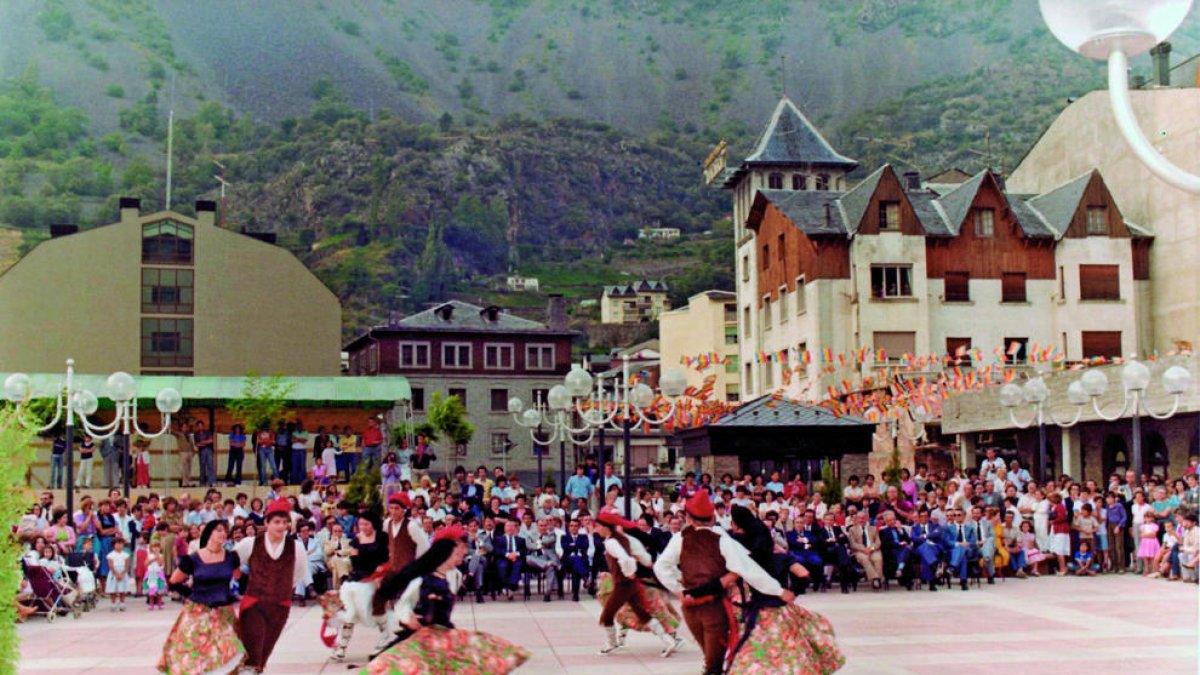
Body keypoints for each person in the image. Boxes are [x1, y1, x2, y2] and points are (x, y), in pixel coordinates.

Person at [654, 490, 794, 675]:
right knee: (714, 664)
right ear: (712, 518)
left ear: (688, 517)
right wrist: (778, 590)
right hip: (714, 607)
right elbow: (747, 567)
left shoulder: (680, 539)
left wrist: (679, 590)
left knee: (710, 660)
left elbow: (661, 567)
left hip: (690, 607)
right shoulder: (721, 540)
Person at [363, 527, 530, 674]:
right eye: (461, 548)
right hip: (423, 639)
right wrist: (407, 618)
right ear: (447, 550)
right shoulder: (422, 579)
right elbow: (404, 603)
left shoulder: (454, 576)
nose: (464, 552)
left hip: (444, 638)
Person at [159, 520, 246, 673]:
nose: (223, 533)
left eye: (225, 530)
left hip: (223, 611)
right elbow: (173, 581)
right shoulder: (192, 559)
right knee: (195, 655)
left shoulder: (232, 557)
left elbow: (240, 579)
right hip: (197, 611)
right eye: (218, 530)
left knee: (228, 653)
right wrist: (191, 596)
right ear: (209, 534)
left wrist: (235, 596)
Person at [593, 510, 682, 657]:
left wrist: (629, 572)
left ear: (605, 527)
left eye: (598, 526)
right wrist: (644, 564)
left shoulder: (611, 542)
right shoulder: (626, 539)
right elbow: (643, 556)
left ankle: (612, 643)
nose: (597, 529)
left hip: (623, 584)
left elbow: (625, 559)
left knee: (607, 616)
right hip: (630, 584)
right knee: (642, 613)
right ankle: (669, 642)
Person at [233, 498, 308, 673]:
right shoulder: (251, 543)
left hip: (279, 607)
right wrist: (236, 577)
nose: (280, 526)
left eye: (284, 522)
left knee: (264, 654)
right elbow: (231, 561)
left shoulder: (296, 547)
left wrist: (282, 588)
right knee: (253, 654)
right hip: (253, 605)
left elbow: (299, 574)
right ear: (266, 522)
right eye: (276, 522)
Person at [941, 509, 978, 590]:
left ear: (964, 516)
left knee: (963, 550)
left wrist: (967, 544)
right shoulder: (949, 528)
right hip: (953, 551)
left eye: (959, 515)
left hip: (968, 550)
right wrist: (959, 544)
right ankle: (963, 581)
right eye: (955, 515)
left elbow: (974, 542)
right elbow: (947, 541)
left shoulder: (970, 528)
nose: (956, 517)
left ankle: (952, 567)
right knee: (962, 555)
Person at [847, 511, 884, 589]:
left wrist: (871, 549)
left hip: (873, 549)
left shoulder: (873, 529)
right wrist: (864, 549)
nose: (861, 520)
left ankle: (876, 580)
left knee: (878, 558)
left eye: (863, 518)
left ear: (867, 519)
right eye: (859, 518)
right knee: (865, 559)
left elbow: (878, 542)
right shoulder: (852, 530)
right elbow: (852, 544)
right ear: (856, 519)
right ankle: (876, 579)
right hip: (859, 551)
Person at [105, 536, 132, 611]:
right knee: (113, 589)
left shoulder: (125, 555)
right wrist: (116, 574)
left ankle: (122, 603)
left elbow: (126, 566)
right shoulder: (111, 555)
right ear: (113, 545)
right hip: (114, 573)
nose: (119, 545)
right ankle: (113, 603)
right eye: (117, 544)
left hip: (123, 571)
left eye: (121, 544)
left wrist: (123, 574)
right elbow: (111, 566)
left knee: (122, 589)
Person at [143, 540, 167, 610]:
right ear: (151, 548)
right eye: (154, 547)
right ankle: (151, 604)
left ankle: (159, 603)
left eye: (157, 547)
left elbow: (160, 564)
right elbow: (146, 564)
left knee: (160, 590)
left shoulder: (161, 556)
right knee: (152, 590)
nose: (156, 548)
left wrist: (157, 557)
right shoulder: (149, 556)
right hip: (151, 574)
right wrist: (153, 559)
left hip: (159, 573)